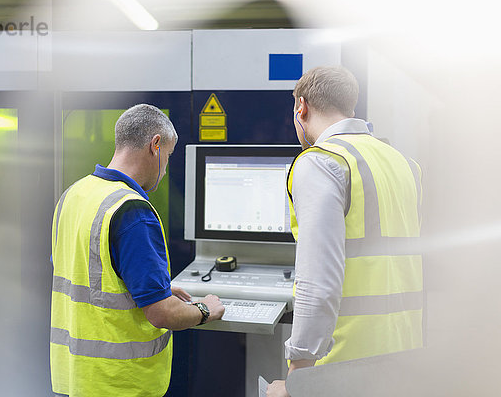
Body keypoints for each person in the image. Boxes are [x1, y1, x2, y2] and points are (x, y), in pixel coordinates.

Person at [267, 66, 423, 396]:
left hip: (344, 364)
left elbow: (317, 282)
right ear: (351, 109)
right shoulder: (402, 163)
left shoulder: (321, 162)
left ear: (301, 107)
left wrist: (298, 373)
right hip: (404, 355)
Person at [50, 104, 225, 397]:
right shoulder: (131, 211)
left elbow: (89, 272)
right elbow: (162, 315)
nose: (166, 169)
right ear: (155, 145)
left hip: (75, 376)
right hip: (119, 382)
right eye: (168, 156)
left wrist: (155, 288)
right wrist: (206, 309)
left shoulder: (75, 194)